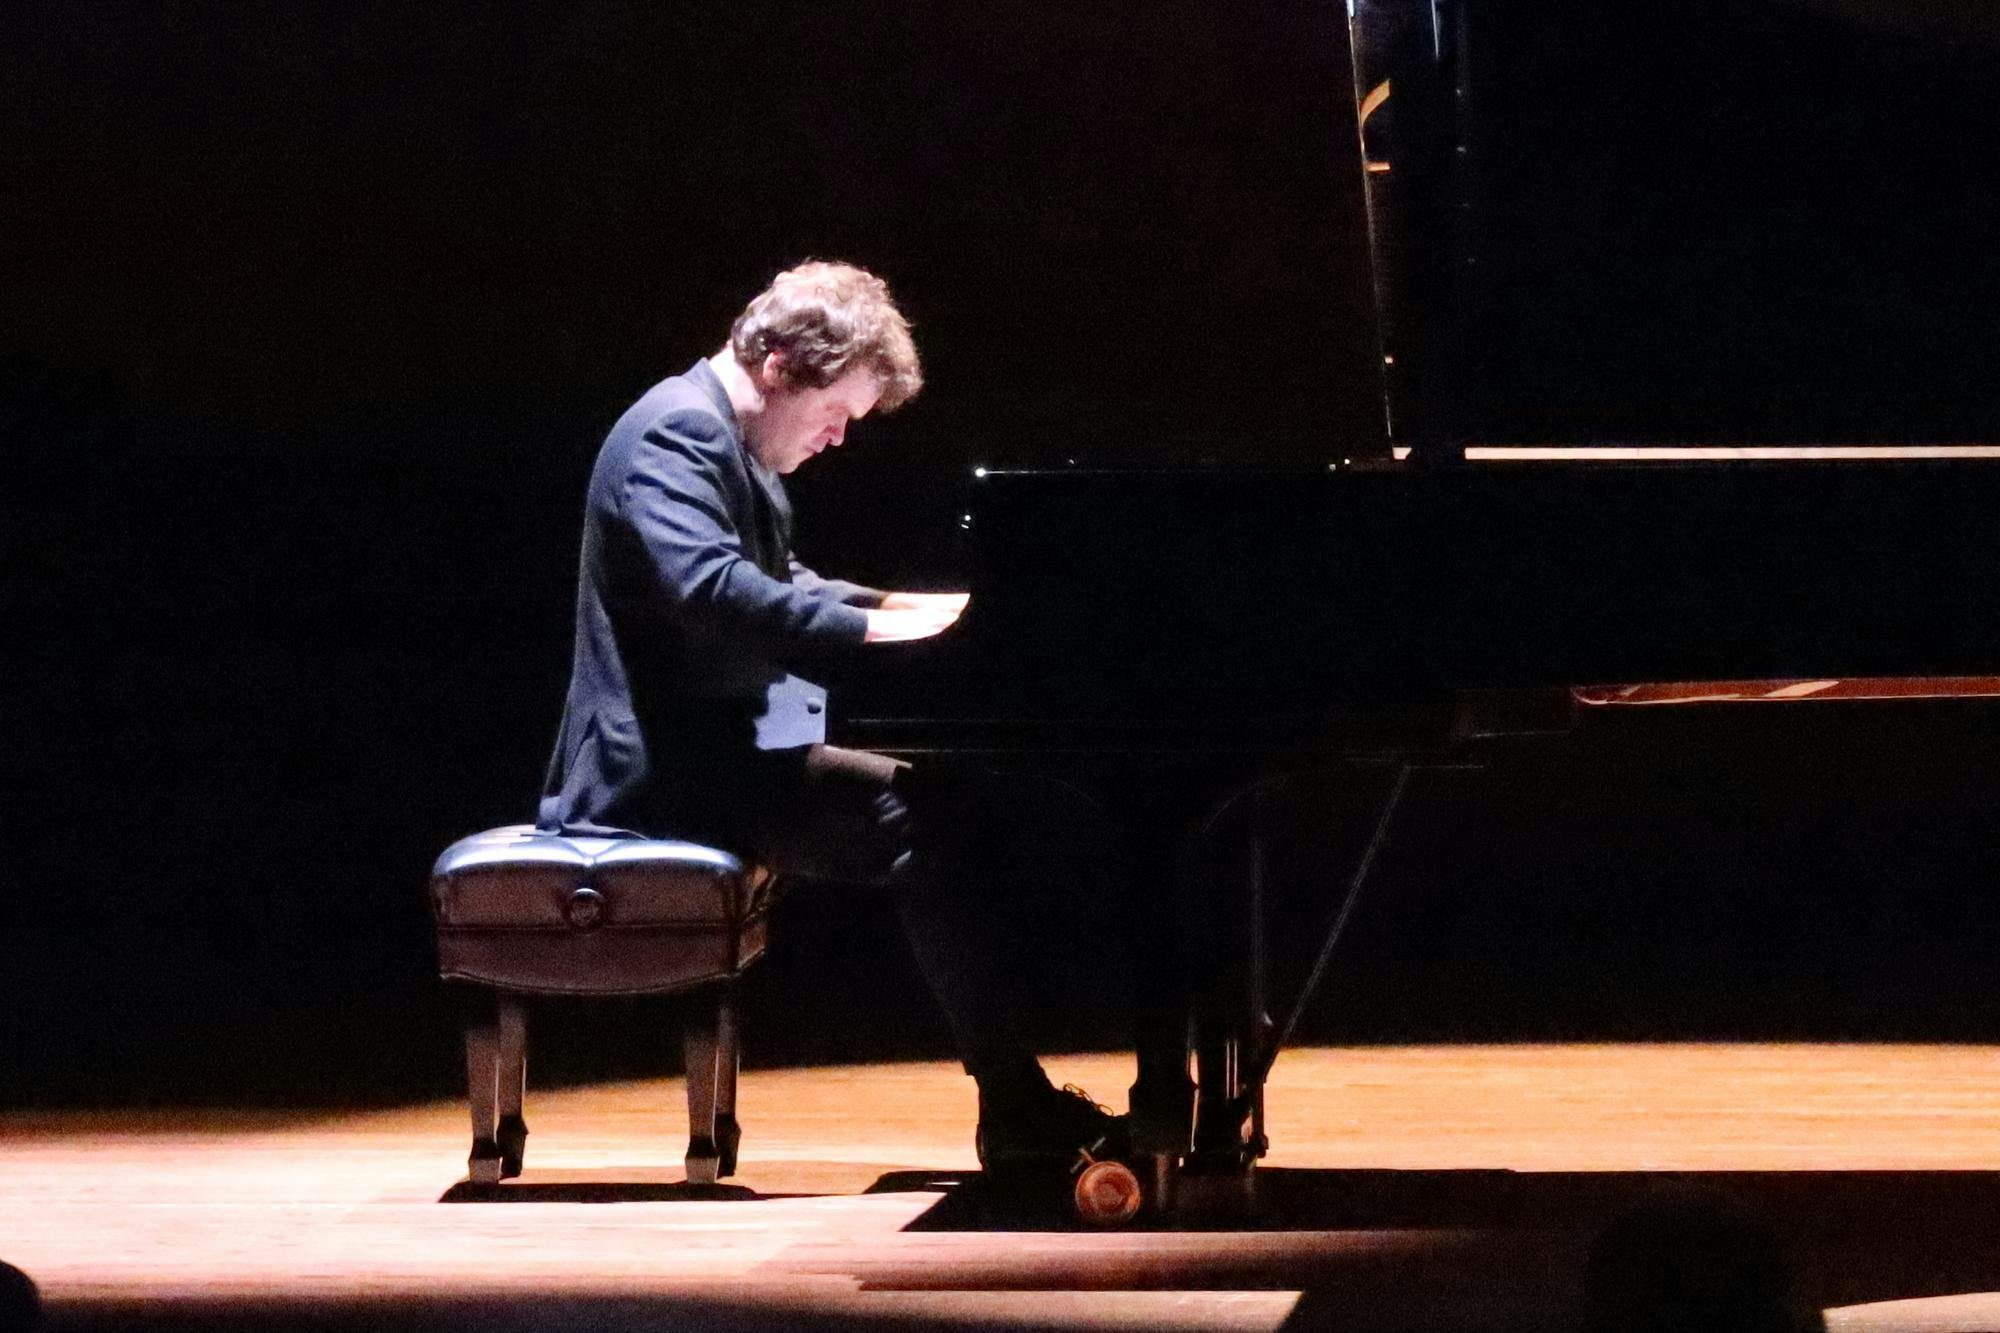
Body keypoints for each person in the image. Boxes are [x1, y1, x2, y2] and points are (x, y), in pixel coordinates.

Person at [537, 260, 1122, 1168]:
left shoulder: (725, 436)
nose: (839, 438)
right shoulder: (674, 435)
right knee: (934, 817)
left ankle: (1018, 1101)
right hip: (663, 775)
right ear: (776, 365)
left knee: (954, 806)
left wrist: (899, 606)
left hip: (725, 753)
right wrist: (872, 633)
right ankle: (1015, 1109)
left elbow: (782, 578)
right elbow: (715, 590)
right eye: (835, 414)